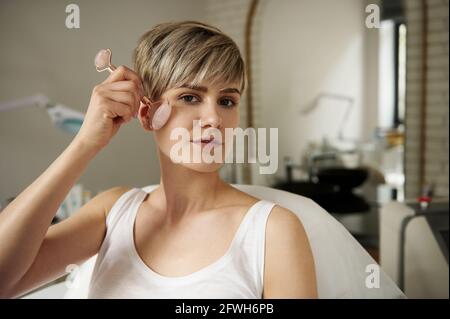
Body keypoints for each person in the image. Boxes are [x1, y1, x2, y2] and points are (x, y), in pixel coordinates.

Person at [0, 21, 317, 299]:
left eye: (227, 100)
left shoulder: (273, 230)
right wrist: (85, 144)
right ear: (147, 113)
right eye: (190, 97)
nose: (214, 118)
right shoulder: (114, 211)